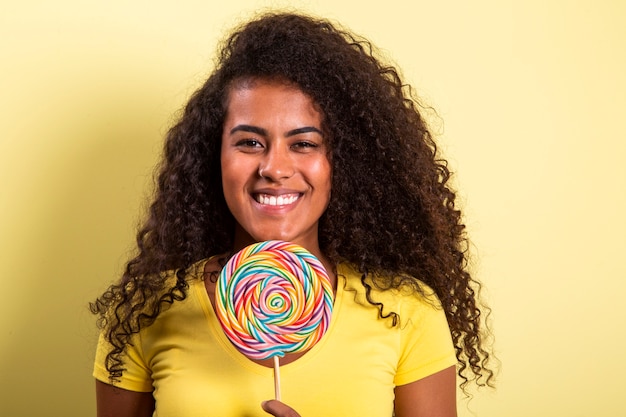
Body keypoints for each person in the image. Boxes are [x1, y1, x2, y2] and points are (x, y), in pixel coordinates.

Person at [91, 11, 494, 417]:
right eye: (249, 142)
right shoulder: (144, 311)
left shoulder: (407, 311)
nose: (275, 168)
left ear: (345, 161)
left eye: (304, 144)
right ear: (212, 156)